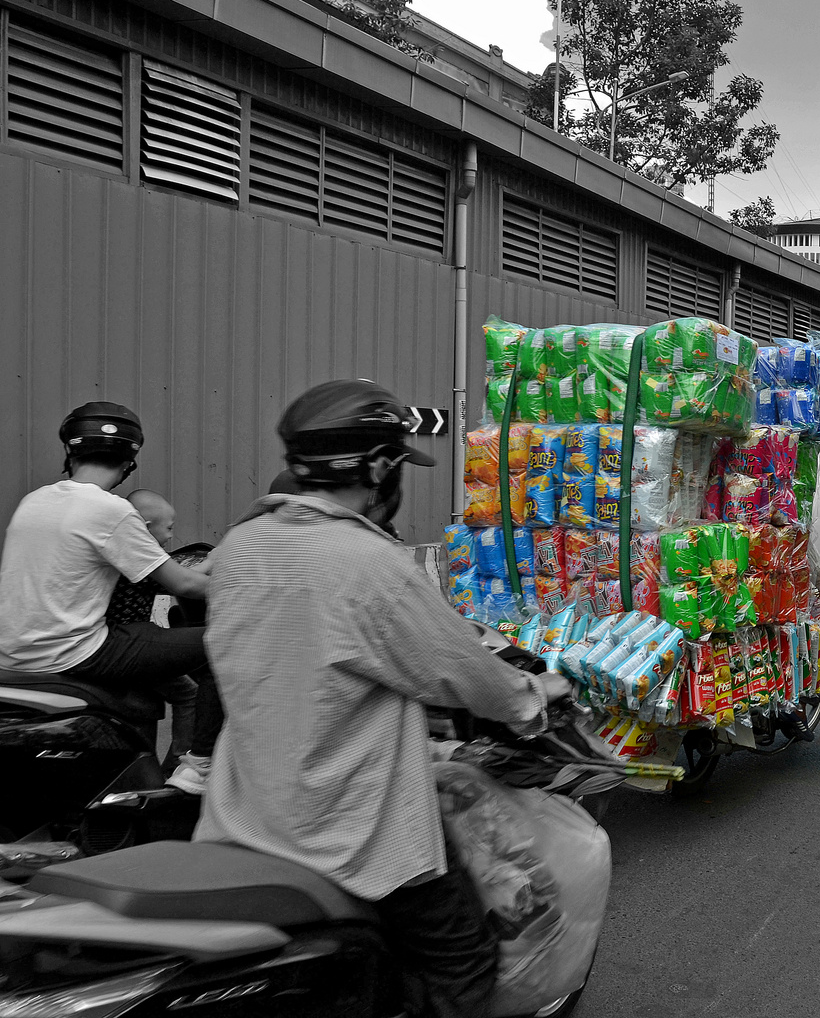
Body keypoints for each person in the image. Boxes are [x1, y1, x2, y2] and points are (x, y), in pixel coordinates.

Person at [196, 379, 576, 1018]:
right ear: (376, 467)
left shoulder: (241, 544)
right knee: (464, 962)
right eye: (397, 461)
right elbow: (462, 671)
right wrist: (534, 697)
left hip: (248, 810)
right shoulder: (367, 562)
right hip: (350, 828)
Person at [0, 402, 221, 795]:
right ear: (129, 460)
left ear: (70, 451)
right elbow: (185, 586)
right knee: (225, 640)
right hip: (74, 651)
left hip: (14, 651)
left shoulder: (34, 501)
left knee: (141, 635)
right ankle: (197, 766)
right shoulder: (111, 510)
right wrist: (244, 573)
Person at [105, 489, 200, 767]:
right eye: (169, 528)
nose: (171, 535)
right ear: (145, 528)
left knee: (145, 699)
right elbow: (181, 582)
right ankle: (180, 763)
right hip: (131, 642)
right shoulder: (140, 555)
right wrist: (217, 561)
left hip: (125, 640)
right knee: (189, 694)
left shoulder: (119, 550)